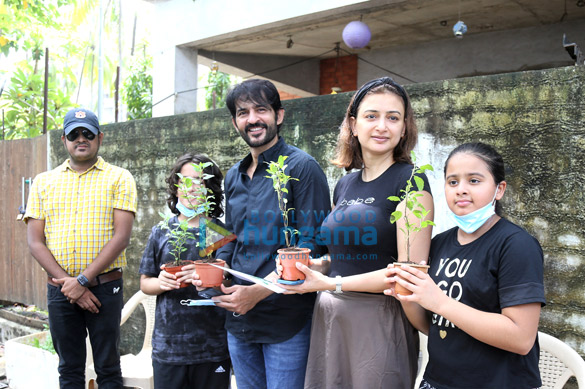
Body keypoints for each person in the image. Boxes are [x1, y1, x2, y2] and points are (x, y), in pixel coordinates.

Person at [278, 77, 434, 388]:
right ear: (353, 123)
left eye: (393, 118)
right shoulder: (346, 183)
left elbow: (407, 276)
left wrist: (330, 283)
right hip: (331, 315)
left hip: (378, 319)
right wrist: (313, 267)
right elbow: (341, 257)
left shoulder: (412, 182)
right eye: (371, 115)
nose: (382, 126)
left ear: (404, 127)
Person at [385, 142, 545, 388]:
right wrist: (407, 294)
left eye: (474, 181)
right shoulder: (439, 244)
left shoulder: (516, 246)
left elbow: (521, 337)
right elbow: (432, 323)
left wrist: (440, 301)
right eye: (452, 182)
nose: (460, 189)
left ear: (499, 189)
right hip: (438, 381)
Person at [206, 79, 331, 389]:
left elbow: (311, 246)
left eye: (261, 109)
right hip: (239, 319)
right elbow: (227, 234)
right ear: (234, 121)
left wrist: (258, 292)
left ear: (279, 115)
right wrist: (217, 267)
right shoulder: (233, 175)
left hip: (285, 320)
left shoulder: (303, 168)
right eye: (243, 112)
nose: (252, 119)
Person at [25, 107, 137, 388]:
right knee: (69, 369)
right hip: (60, 291)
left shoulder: (120, 177)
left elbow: (121, 237)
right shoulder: (43, 182)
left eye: (87, 133)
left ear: (99, 137)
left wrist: (83, 281)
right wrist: (70, 285)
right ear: (64, 140)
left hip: (104, 288)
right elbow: (35, 241)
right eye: (74, 133)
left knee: (108, 367)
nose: (81, 138)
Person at [139, 153, 231, 389]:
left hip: (212, 346)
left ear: (210, 189)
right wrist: (162, 283)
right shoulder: (162, 231)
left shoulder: (215, 231)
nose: (191, 189)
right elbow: (145, 283)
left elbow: (228, 276)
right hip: (169, 348)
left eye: (199, 182)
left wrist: (209, 275)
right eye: (185, 181)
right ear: (176, 188)